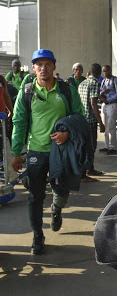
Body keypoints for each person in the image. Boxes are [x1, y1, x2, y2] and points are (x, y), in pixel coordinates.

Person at [11, 49, 85, 255]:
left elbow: (79, 116)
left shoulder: (66, 90)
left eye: (47, 64)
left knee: (62, 188)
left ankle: (56, 208)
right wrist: (17, 152)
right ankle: (37, 234)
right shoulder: (26, 92)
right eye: (39, 65)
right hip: (36, 151)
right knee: (35, 196)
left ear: (54, 67)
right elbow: (19, 122)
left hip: (61, 151)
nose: (43, 68)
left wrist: (67, 134)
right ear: (33, 68)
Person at [78, 63, 105, 181]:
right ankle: (84, 173)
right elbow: (93, 103)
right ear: (99, 73)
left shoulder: (82, 83)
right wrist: (100, 122)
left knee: (85, 146)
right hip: (90, 120)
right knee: (90, 147)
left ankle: (90, 168)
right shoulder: (95, 83)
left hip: (81, 119)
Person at [99, 65, 117, 155]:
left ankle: (113, 147)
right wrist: (103, 93)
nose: (106, 73)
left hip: (112, 104)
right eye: (104, 71)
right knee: (105, 126)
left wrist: (109, 99)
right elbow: (100, 91)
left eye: (107, 71)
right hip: (105, 105)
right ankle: (107, 146)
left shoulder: (115, 80)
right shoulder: (104, 81)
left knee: (111, 126)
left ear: (110, 70)